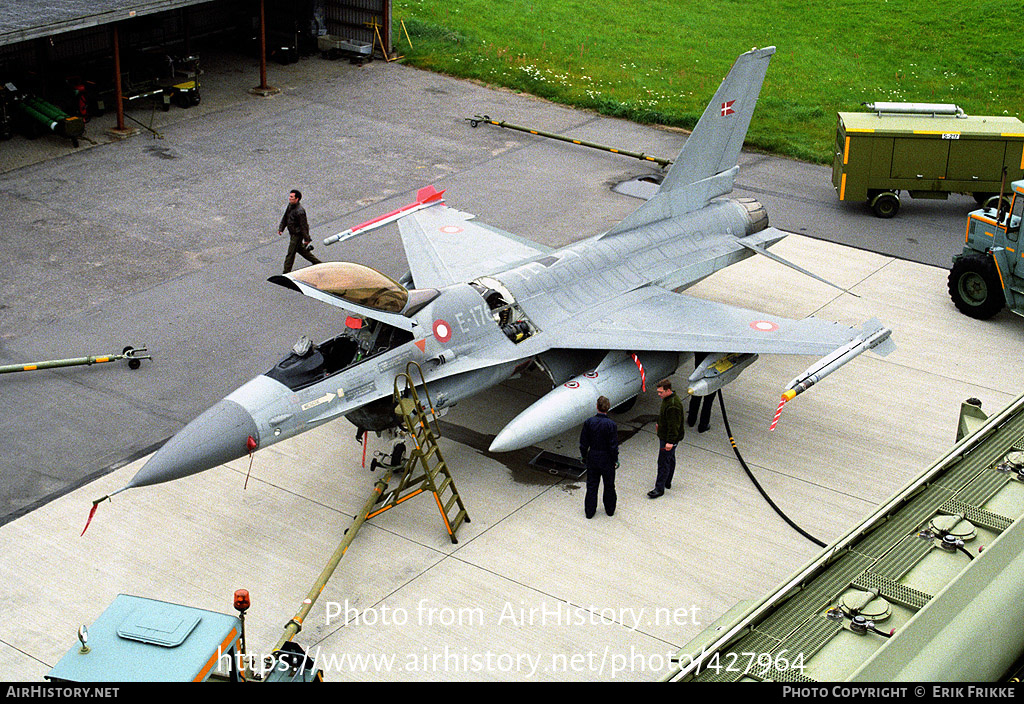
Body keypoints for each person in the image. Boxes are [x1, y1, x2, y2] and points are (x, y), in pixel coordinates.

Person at [579, 396, 619, 518]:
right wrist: (615, 459)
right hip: (607, 458)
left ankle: (590, 512)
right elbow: (613, 446)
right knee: (609, 485)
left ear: (597, 407)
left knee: (591, 485)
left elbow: (583, 442)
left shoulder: (589, 422)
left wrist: (584, 456)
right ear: (608, 407)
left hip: (593, 456)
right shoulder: (611, 425)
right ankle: (610, 509)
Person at [649, 379, 684, 498]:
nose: (659, 394)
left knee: (663, 462)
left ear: (668, 390)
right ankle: (667, 481)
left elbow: (674, 425)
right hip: (665, 435)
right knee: (670, 459)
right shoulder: (667, 400)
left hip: (668, 439)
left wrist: (670, 442)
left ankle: (659, 488)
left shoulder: (673, 405)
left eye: (660, 392)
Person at [278, 189, 321, 273]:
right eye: (290, 196)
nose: (289, 198)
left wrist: (307, 239)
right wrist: (281, 228)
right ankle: (318, 263)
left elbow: (304, 226)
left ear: (297, 199)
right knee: (301, 250)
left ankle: (286, 273)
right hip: (292, 233)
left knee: (290, 254)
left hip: (297, 235)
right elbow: (285, 217)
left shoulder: (300, 211)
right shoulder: (290, 205)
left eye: (291, 197)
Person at [688, 353, 715, 433]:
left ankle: (691, 420)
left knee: (695, 397)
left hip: (698, 374)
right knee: (708, 402)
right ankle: (703, 425)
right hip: (711, 376)